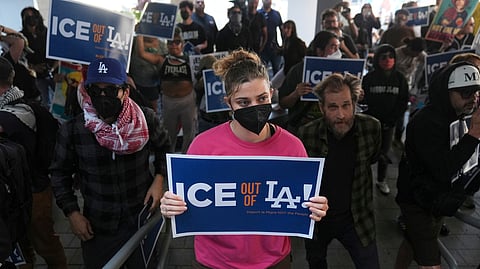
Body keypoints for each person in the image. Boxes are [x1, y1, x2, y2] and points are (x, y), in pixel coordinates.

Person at [159, 49, 329, 268]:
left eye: (262, 98)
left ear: (271, 92)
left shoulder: (292, 147)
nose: (255, 108)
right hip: (215, 262)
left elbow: (301, 203)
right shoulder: (203, 146)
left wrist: (315, 207)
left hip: (273, 261)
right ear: (228, 103)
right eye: (243, 102)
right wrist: (170, 204)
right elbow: (186, 202)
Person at [50, 57, 171, 268]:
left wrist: (159, 179)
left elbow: (165, 149)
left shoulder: (146, 120)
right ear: (88, 92)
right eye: (96, 91)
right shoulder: (74, 130)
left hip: (141, 218)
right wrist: (72, 213)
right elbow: (59, 174)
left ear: (125, 91)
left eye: (111, 89)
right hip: (98, 225)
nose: (103, 96)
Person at [394, 62, 480, 269]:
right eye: (466, 93)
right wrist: (474, 134)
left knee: (413, 243)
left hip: (436, 197)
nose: (473, 99)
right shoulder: (426, 122)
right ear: (446, 92)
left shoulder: (460, 113)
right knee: (431, 262)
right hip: (417, 200)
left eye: (477, 92)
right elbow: (442, 169)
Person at [297, 73, 382, 269]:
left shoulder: (371, 127)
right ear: (322, 108)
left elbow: (373, 157)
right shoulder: (307, 134)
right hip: (318, 221)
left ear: (354, 104)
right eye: (333, 107)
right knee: (316, 262)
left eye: (346, 105)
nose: (341, 115)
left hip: (357, 219)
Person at [0, 55, 67, 269]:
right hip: (19, 191)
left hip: (31, 191)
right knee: (19, 245)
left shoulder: (15, 114)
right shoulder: (21, 105)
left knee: (42, 242)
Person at [361, 44, 409, 195]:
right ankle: (363, 181)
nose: (387, 60)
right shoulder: (369, 78)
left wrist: (392, 119)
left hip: (389, 124)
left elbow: (403, 101)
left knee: (384, 154)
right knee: (365, 153)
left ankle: (381, 180)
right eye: (383, 57)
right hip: (370, 123)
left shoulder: (400, 79)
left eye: (391, 57)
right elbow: (363, 102)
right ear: (377, 59)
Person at [278, 31, 340, 135]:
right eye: (333, 47)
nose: (337, 51)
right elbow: (283, 103)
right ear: (320, 51)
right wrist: (296, 94)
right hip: (301, 129)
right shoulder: (298, 70)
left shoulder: (341, 73)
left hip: (329, 130)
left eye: (338, 47)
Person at [159, 28, 197, 153]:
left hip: (187, 100)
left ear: (182, 44)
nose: (174, 45)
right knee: (169, 133)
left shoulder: (189, 60)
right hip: (169, 101)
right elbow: (143, 55)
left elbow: (198, 80)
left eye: (177, 42)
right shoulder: (162, 60)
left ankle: (187, 157)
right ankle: (168, 160)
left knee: (189, 132)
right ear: (167, 44)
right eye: (171, 42)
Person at [20, 7, 58, 109]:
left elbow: (58, 52)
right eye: (27, 17)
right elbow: (22, 59)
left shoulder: (47, 32)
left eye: (33, 16)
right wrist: (34, 67)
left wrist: (52, 68)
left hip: (54, 72)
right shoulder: (22, 37)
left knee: (60, 99)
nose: (31, 19)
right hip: (36, 76)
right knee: (45, 103)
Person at [130, 35, 165, 112]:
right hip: (136, 82)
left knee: (152, 109)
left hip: (152, 84)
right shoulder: (134, 41)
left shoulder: (162, 46)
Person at [258, 0, 283, 76]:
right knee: (261, 72)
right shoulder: (258, 14)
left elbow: (281, 29)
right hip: (262, 48)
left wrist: (283, 44)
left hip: (274, 47)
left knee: (277, 71)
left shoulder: (276, 14)